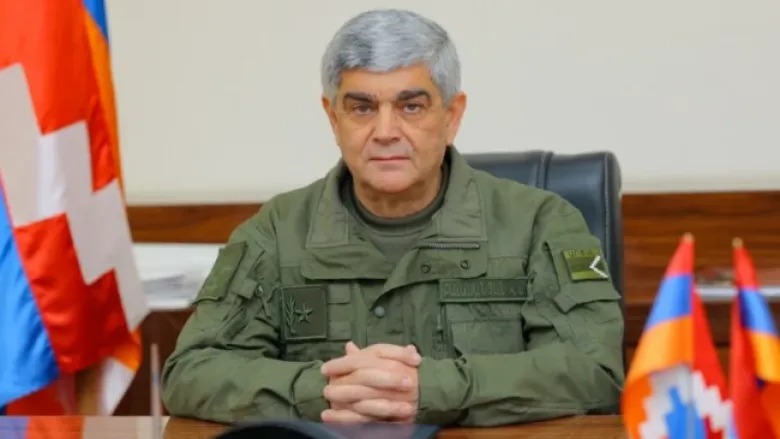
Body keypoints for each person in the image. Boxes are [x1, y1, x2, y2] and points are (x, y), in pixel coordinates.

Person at [161, 8, 624, 427]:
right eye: (362, 108)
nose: (385, 131)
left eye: (411, 106)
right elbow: (191, 372)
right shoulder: (278, 231)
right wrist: (322, 390)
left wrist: (430, 389)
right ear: (333, 118)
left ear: (452, 116)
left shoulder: (540, 223)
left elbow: (595, 371)